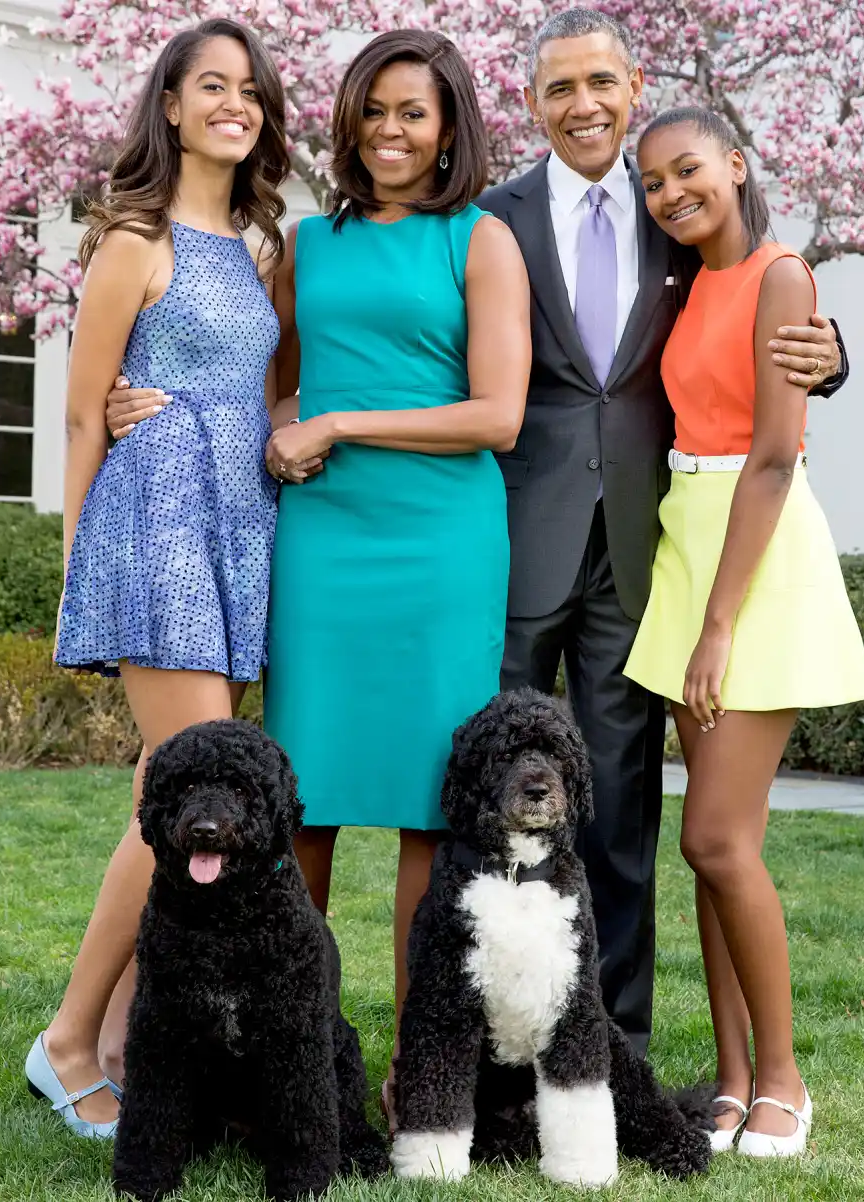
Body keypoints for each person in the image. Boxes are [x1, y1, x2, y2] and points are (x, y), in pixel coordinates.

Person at [105, 28, 530, 1133]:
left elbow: (498, 413)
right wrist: (136, 401)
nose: (391, 131)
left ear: (451, 129)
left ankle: (417, 1081)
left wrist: (342, 419)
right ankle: (272, 1073)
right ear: (347, 119)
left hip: (439, 546)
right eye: (373, 109)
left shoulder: (481, 244)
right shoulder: (305, 243)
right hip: (323, 545)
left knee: (434, 821)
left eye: (415, 113)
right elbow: (263, 390)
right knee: (299, 810)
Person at [477, 7, 849, 1056]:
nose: (582, 105)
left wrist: (832, 351)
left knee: (619, 805)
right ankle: (495, 1039)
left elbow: (758, 311)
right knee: (492, 795)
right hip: (516, 537)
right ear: (533, 104)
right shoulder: (493, 219)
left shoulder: (674, 207)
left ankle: (614, 1048)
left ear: (634, 87)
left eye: (600, 82)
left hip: (648, 553)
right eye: (559, 88)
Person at [27, 19, 289, 1137]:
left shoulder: (262, 244)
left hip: (241, 521)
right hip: (157, 522)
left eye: (251, 90)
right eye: (211, 86)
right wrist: (81, 560)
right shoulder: (132, 238)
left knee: (175, 787)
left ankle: (128, 1036)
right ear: (170, 106)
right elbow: (86, 409)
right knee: (175, 789)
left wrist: (293, 427)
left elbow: (260, 390)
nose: (235, 104)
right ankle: (72, 1039)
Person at [623, 106, 864, 1156]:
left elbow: (774, 455)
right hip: (687, 538)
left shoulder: (783, 273)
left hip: (752, 555)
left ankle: (783, 1077)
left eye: (689, 171)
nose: (672, 194)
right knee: (716, 848)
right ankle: (729, 1080)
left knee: (714, 836)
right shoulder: (683, 283)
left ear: (737, 162)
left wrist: (718, 624)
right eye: (653, 184)